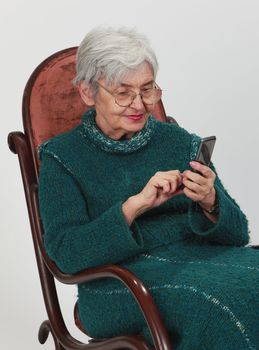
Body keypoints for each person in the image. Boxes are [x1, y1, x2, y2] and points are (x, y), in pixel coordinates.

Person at [38, 27, 259, 350]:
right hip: (115, 283)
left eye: (147, 89)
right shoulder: (62, 157)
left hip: (201, 259)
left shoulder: (178, 140)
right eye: (123, 92)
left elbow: (238, 236)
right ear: (88, 92)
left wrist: (211, 202)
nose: (139, 104)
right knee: (218, 306)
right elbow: (66, 255)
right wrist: (134, 207)